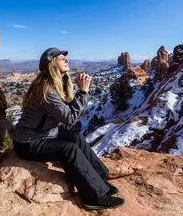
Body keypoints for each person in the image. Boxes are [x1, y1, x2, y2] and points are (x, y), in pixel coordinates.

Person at [11, 47, 125, 210]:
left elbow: (67, 112)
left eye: (65, 57)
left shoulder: (56, 85)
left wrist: (80, 92)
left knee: (76, 137)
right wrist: (83, 91)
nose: (66, 60)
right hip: (29, 143)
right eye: (61, 58)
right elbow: (69, 118)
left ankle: (99, 180)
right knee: (68, 149)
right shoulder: (46, 90)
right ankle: (93, 197)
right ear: (51, 64)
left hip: (46, 135)